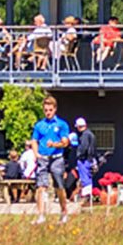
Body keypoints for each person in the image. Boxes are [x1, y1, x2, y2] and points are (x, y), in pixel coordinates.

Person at [31, 95, 74, 224]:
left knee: (59, 186)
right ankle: (41, 215)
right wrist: (36, 153)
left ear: (55, 109)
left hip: (57, 158)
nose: (48, 112)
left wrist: (54, 145)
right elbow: (34, 140)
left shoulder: (61, 125)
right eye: (46, 110)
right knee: (41, 187)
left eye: (50, 110)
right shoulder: (40, 125)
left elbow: (65, 142)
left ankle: (63, 211)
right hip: (43, 158)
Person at [71, 116, 99, 200]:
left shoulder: (85, 135)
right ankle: (89, 196)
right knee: (89, 178)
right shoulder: (91, 134)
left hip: (84, 160)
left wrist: (79, 155)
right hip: (91, 159)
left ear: (79, 126)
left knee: (85, 178)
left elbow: (84, 147)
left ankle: (86, 197)